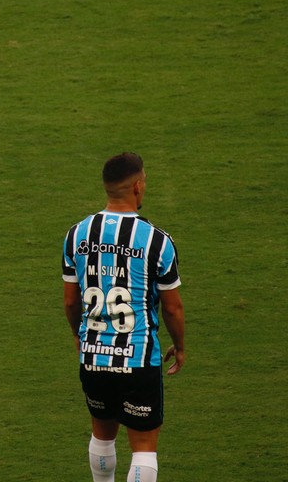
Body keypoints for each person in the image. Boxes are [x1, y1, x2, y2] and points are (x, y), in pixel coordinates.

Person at [62, 153, 186, 482]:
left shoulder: (76, 235)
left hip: (94, 356)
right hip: (139, 357)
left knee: (102, 436)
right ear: (137, 186)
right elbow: (173, 307)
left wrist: (79, 335)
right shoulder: (157, 241)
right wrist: (180, 345)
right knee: (143, 447)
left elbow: (71, 302)